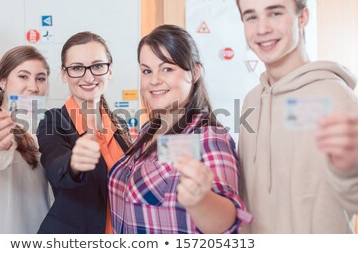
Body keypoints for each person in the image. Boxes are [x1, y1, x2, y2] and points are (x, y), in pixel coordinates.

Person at [108, 24, 249, 234]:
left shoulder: (208, 138)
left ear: (194, 73)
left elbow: (226, 223)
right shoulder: (148, 130)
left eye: (167, 68)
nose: (154, 80)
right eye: (147, 71)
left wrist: (201, 200)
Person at [236, 0, 358, 233]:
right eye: (251, 17)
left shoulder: (334, 96)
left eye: (274, 13)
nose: (262, 29)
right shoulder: (251, 101)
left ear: (302, 18)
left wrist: (351, 167)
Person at [36, 31, 131, 234]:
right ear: (64, 74)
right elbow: (55, 166)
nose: (89, 77)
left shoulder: (120, 125)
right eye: (77, 68)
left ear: (109, 71)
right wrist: (73, 162)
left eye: (97, 66)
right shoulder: (53, 122)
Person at [0, 45, 52, 234]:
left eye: (40, 78)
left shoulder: (47, 127)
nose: (33, 87)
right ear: (3, 82)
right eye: (23, 76)